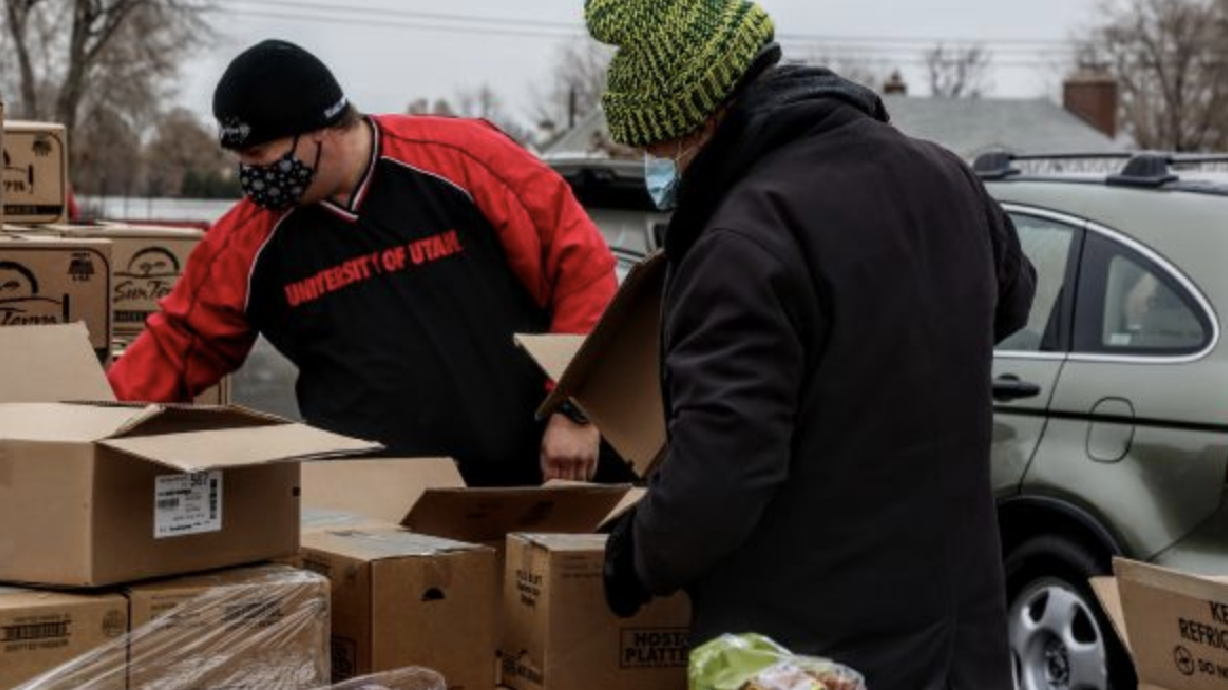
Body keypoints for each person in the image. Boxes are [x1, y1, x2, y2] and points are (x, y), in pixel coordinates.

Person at [587, 1, 1037, 688]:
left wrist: (633, 559)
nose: (659, 170)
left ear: (697, 120)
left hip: (814, 653)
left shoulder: (744, 239)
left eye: (655, 149)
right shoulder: (944, 175)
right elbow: (1012, 297)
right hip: (959, 642)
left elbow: (725, 474)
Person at [107, 39, 623, 486]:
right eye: (242, 162)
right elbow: (177, 345)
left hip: (530, 479)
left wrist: (574, 407)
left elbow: (582, 269)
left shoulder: (465, 158)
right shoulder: (248, 239)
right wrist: (85, 429)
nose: (252, 176)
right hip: (372, 515)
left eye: (261, 156)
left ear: (320, 130)